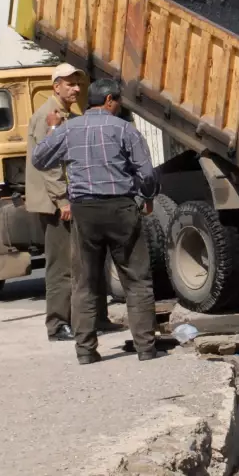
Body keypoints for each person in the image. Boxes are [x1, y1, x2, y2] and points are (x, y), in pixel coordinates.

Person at [32, 78, 161, 365]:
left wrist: (52, 128)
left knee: (85, 282)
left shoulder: (68, 129)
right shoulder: (124, 129)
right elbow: (147, 172)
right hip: (121, 209)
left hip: (84, 212)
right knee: (137, 280)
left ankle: (86, 351)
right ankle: (146, 348)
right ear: (110, 101)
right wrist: (147, 196)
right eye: (118, 101)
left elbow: (40, 159)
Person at [26, 64, 82, 342]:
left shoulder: (67, 115)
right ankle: (58, 325)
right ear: (56, 86)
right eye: (70, 84)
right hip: (56, 204)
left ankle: (80, 320)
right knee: (61, 267)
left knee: (77, 264)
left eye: (77, 84)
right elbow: (48, 164)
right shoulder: (47, 117)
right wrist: (62, 200)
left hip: (67, 200)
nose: (76, 89)